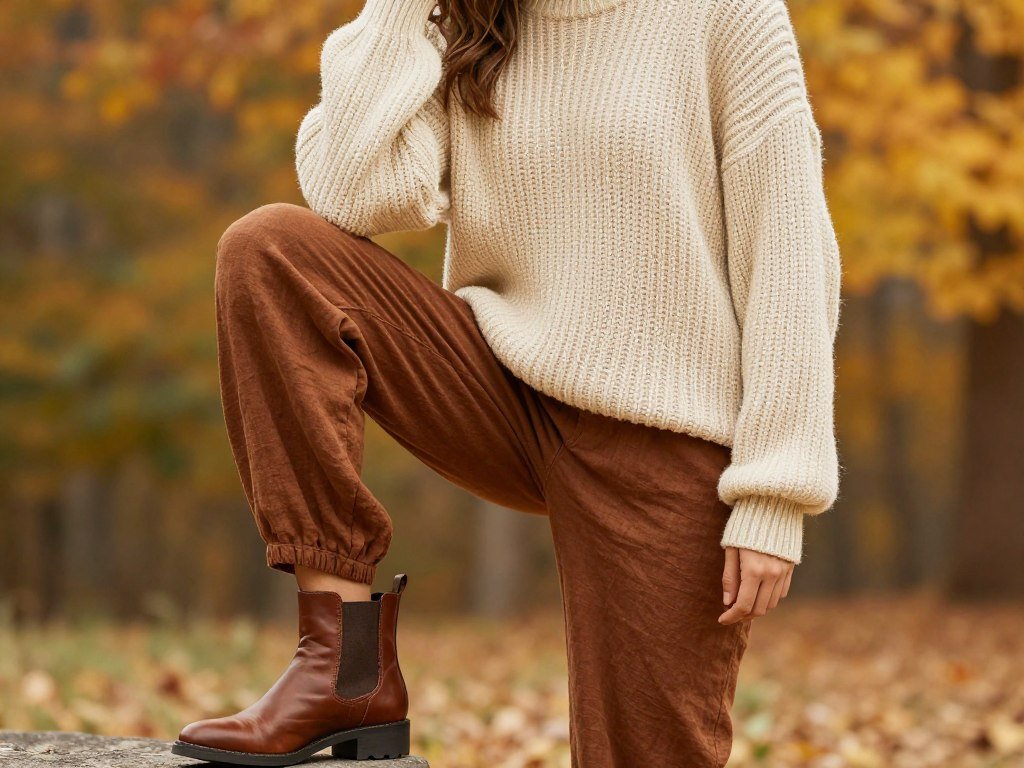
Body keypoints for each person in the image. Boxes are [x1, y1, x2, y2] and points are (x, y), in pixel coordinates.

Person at [171, 0, 842, 765]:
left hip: (667, 437)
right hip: (501, 388)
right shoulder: (468, 23)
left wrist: (773, 492)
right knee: (270, 251)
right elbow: (354, 194)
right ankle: (343, 671)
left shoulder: (725, 13)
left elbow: (790, 253)